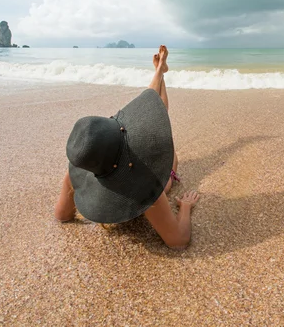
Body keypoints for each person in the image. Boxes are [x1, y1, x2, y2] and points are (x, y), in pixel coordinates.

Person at [54, 45, 200, 249]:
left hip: (119, 172)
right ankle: (160, 71)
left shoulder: (83, 168)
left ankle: (160, 71)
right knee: (158, 122)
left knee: (152, 115)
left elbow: (62, 216)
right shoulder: (147, 185)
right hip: (157, 179)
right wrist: (185, 208)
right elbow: (178, 241)